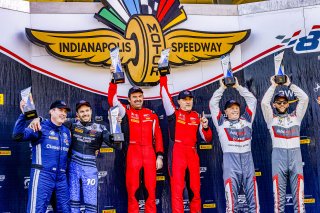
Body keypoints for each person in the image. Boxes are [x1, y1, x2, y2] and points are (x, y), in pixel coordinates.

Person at [29, 100, 119, 213]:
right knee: (73, 205)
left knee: (91, 205)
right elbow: (53, 121)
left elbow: (117, 146)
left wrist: (117, 127)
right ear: (77, 114)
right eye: (82, 111)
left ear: (91, 111)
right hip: (73, 169)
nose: (85, 113)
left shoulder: (100, 128)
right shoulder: (71, 123)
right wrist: (39, 119)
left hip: (90, 170)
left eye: (87, 110)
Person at [108, 67, 164, 213]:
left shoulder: (151, 115)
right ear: (129, 99)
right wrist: (113, 79)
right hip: (132, 153)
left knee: (150, 191)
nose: (138, 99)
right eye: (134, 97)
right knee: (132, 191)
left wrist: (159, 156)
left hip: (150, 153)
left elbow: (158, 137)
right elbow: (112, 99)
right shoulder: (125, 111)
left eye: (140, 96)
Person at [159, 74, 212, 213]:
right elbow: (164, 94)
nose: (188, 102)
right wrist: (162, 75)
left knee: (195, 191)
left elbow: (207, 139)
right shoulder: (173, 113)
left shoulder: (196, 116)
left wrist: (205, 127)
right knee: (177, 191)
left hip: (192, 154)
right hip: (177, 153)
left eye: (190, 99)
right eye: (184, 99)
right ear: (179, 102)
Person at [209, 77, 260, 213]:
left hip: (247, 160)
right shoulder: (221, 123)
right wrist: (222, 88)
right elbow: (213, 104)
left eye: (236, 108)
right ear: (225, 112)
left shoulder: (247, 120)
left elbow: (252, 101)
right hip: (230, 162)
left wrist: (238, 86)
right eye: (231, 108)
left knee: (253, 202)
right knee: (232, 204)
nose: (235, 110)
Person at [12, 100, 71, 213]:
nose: (63, 113)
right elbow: (17, 136)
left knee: (65, 210)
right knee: (36, 210)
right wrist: (24, 115)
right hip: (43, 176)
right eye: (60, 110)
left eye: (65, 111)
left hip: (61, 178)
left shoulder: (66, 132)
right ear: (51, 111)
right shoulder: (39, 126)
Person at [261, 75, 308, 213]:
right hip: (278, 158)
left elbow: (304, 98)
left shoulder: (296, 117)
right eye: (278, 102)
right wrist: (273, 85)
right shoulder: (271, 119)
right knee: (278, 203)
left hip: (295, 158)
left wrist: (289, 84)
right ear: (274, 105)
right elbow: (264, 103)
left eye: (284, 102)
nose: (281, 104)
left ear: (288, 104)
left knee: (299, 201)